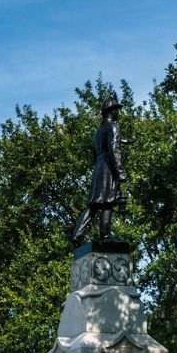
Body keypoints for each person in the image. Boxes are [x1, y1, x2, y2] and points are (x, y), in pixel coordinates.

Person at [71, 94, 127, 245]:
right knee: (108, 202)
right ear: (110, 110)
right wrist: (120, 171)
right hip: (109, 166)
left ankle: (77, 234)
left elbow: (95, 154)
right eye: (116, 109)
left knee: (94, 205)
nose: (118, 112)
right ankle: (105, 236)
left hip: (99, 167)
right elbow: (114, 149)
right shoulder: (114, 126)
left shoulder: (99, 130)